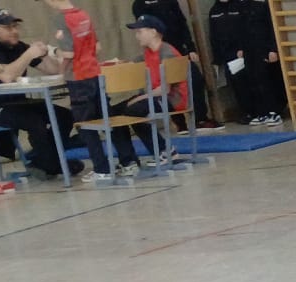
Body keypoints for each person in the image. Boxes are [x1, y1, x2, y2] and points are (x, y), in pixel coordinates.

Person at [0, 9, 81, 180]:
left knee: (64, 115)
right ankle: (51, 164)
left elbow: (54, 70)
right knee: (34, 121)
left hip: (18, 102)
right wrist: (29, 54)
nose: (14, 31)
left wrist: (47, 53)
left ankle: (43, 160)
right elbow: (6, 76)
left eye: (15, 26)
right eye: (8, 28)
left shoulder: (19, 46)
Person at [39, 0, 139, 182]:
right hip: (94, 73)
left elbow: (69, 54)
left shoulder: (62, 19)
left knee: (85, 126)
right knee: (108, 120)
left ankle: (102, 169)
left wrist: (58, 64)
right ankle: (129, 162)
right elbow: (97, 47)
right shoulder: (83, 15)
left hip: (79, 77)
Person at [128, 0, 218, 128]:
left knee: (193, 80)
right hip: (155, 48)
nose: (137, 35)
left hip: (173, 47)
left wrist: (190, 47)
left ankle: (200, 119)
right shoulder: (139, 5)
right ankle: (180, 124)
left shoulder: (169, 2)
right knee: (164, 83)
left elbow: (181, 22)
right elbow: (142, 26)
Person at [121, 15, 188, 166]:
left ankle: (165, 151)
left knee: (132, 110)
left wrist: (137, 98)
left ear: (153, 32)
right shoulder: (148, 52)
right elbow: (131, 63)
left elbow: (164, 89)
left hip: (172, 98)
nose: (137, 36)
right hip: (157, 96)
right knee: (116, 110)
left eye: (140, 32)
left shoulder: (167, 53)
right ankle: (128, 160)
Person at [207, 0, 284, 126]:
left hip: (262, 49)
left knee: (266, 81)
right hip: (248, 50)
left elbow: (270, 28)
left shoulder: (261, 6)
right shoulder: (241, 7)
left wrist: (272, 49)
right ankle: (262, 112)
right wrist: (241, 48)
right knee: (254, 82)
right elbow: (240, 31)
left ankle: (274, 112)